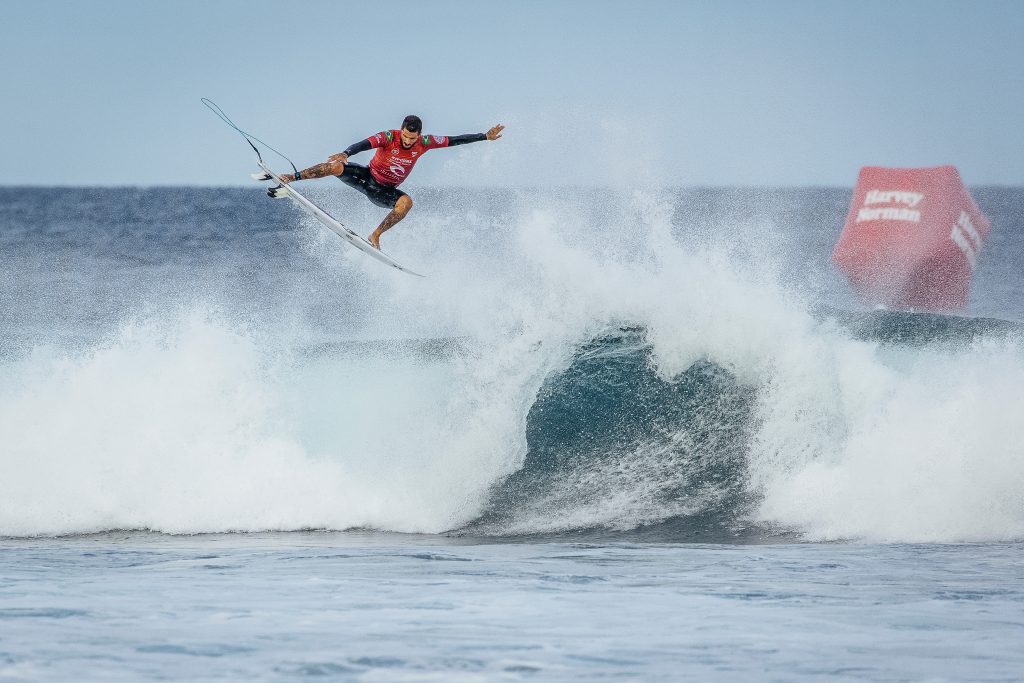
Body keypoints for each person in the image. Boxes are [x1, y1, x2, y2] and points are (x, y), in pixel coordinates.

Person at [265, 115, 504, 249]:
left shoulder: (425, 142)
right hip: (366, 177)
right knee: (336, 165)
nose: (409, 142)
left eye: (414, 138)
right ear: (401, 131)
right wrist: (347, 154)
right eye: (407, 137)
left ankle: (376, 235)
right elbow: (364, 144)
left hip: (384, 192)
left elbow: (454, 140)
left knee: (406, 203)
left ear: (419, 135)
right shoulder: (389, 137)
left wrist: (484, 136)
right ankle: (291, 178)